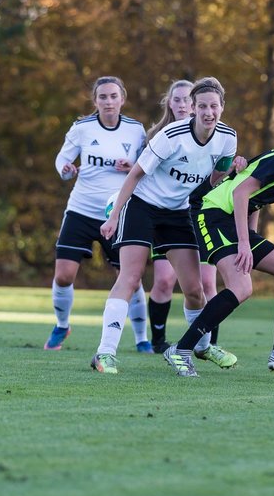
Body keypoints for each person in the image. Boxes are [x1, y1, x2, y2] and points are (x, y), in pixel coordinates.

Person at [163, 111, 274, 379]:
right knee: (241, 287)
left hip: (231, 220)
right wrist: (245, 244)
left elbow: (255, 199)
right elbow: (240, 192)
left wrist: (250, 239)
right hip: (213, 215)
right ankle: (182, 349)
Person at [91, 77, 239, 374]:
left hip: (178, 214)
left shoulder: (228, 138)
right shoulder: (172, 134)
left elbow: (213, 181)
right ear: (193, 109)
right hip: (142, 207)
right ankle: (104, 354)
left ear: (222, 107)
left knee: (195, 290)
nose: (208, 112)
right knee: (130, 278)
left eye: (214, 106)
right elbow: (134, 175)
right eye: (202, 106)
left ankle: (202, 346)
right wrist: (114, 215)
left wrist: (234, 171)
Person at [44, 76, 150, 352]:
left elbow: (146, 167)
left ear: (122, 98)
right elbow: (62, 159)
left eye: (113, 96)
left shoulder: (135, 130)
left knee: (130, 277)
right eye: (103, 97)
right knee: (64, 275)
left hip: (117, 212)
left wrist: (132, 166)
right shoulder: (82, 128)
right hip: (80, 209)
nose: (108, 101)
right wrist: (65, 170)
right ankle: (62, 325)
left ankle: (142, 339)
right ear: (95, 101)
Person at [144, 79, 223, 353]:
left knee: (207, 282)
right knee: (164, 280)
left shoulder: (215, 134)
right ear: (169, 102)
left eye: (187, 100)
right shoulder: (158, 134)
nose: (182, 105)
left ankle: (208, 344)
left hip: (199, 215)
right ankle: (157, 341)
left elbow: (220, 175)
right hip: (164, 215)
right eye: (176, 99)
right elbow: (140, 173)